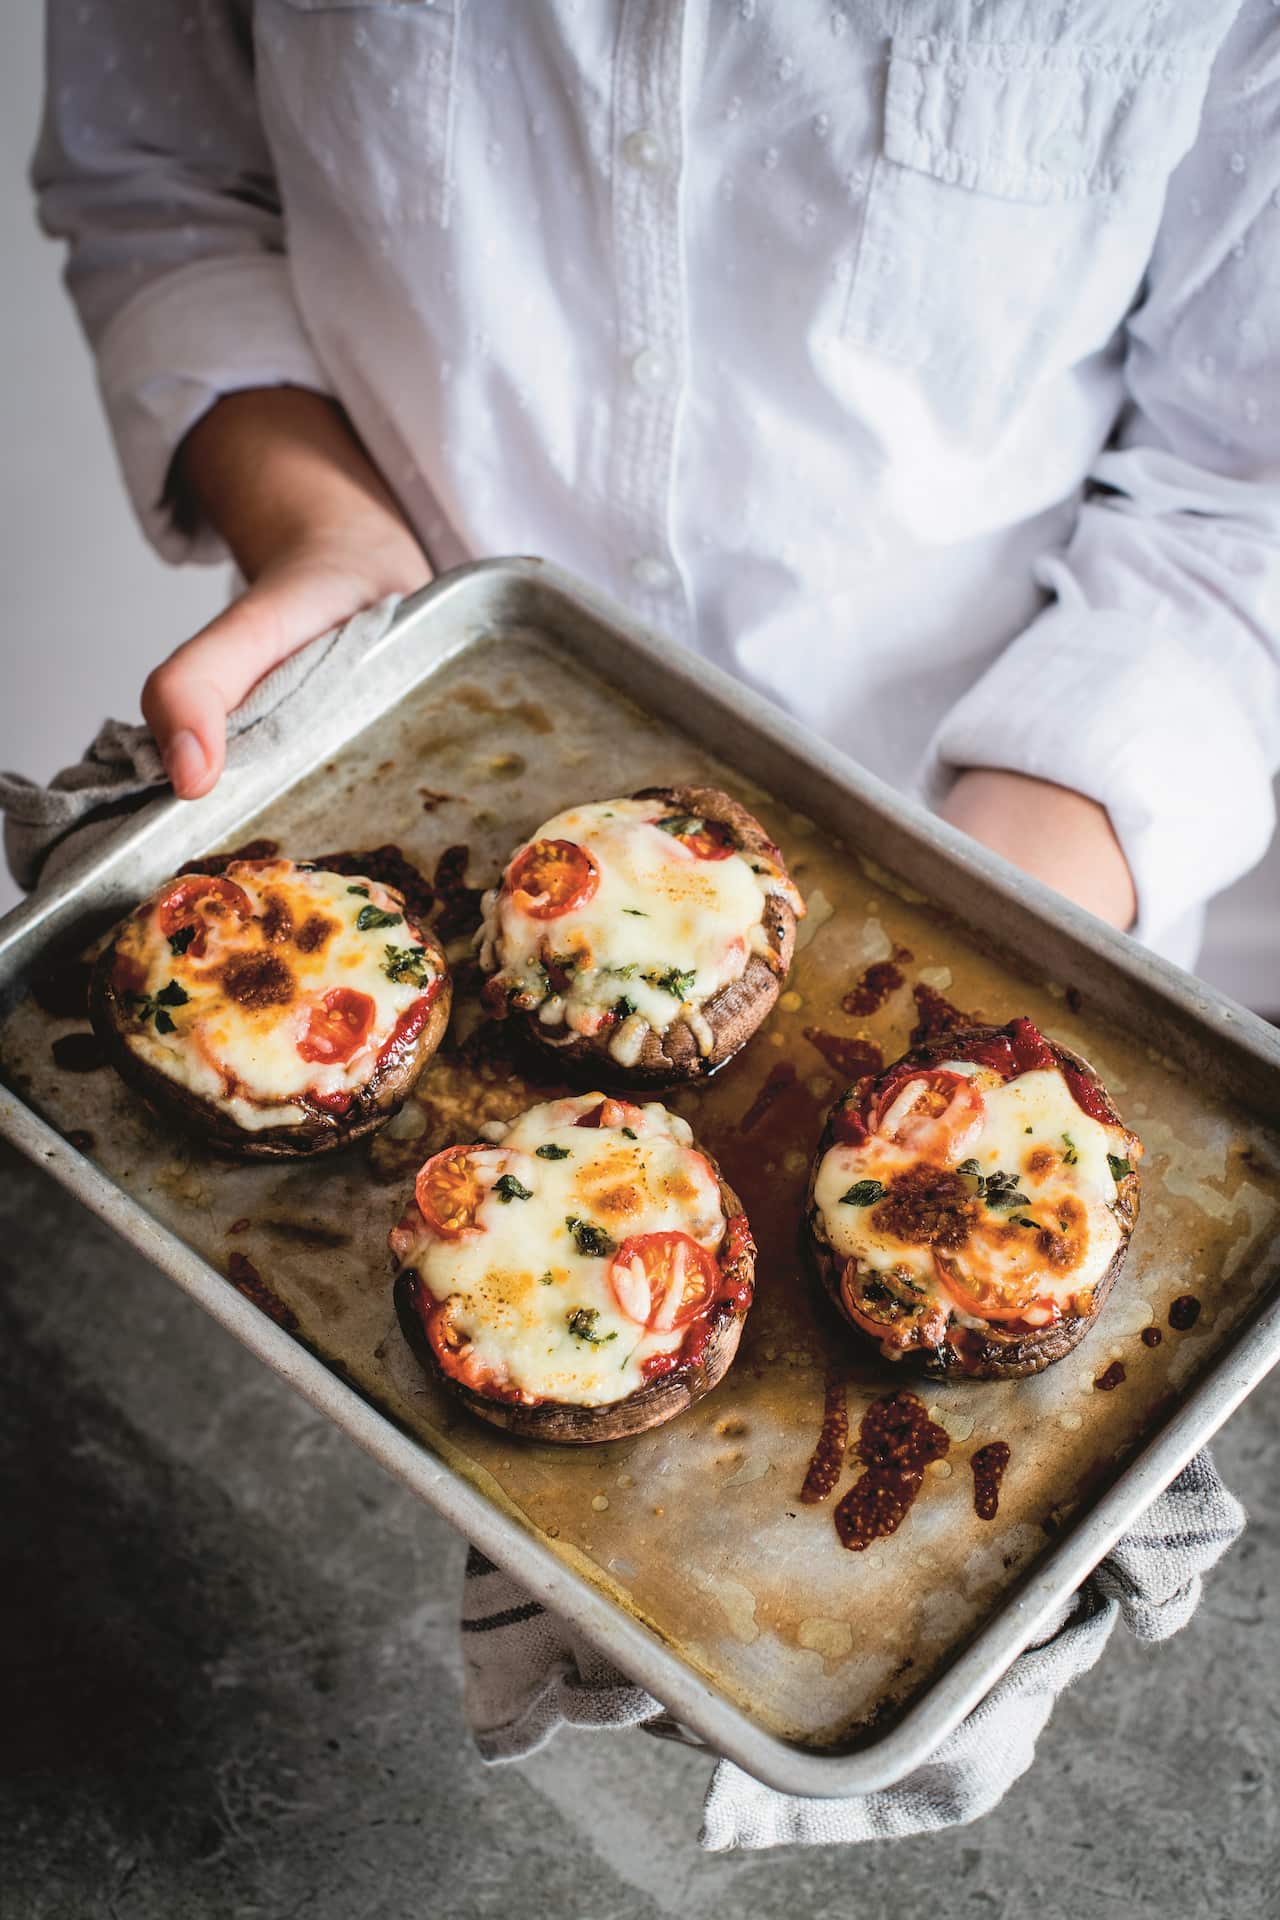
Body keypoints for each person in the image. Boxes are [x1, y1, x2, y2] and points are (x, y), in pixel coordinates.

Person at [32, 1, 1280, 962]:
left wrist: (971, 929)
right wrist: (322, 529)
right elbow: (166, 188)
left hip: (991, 825)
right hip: (395, 804)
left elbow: (1241, 482)